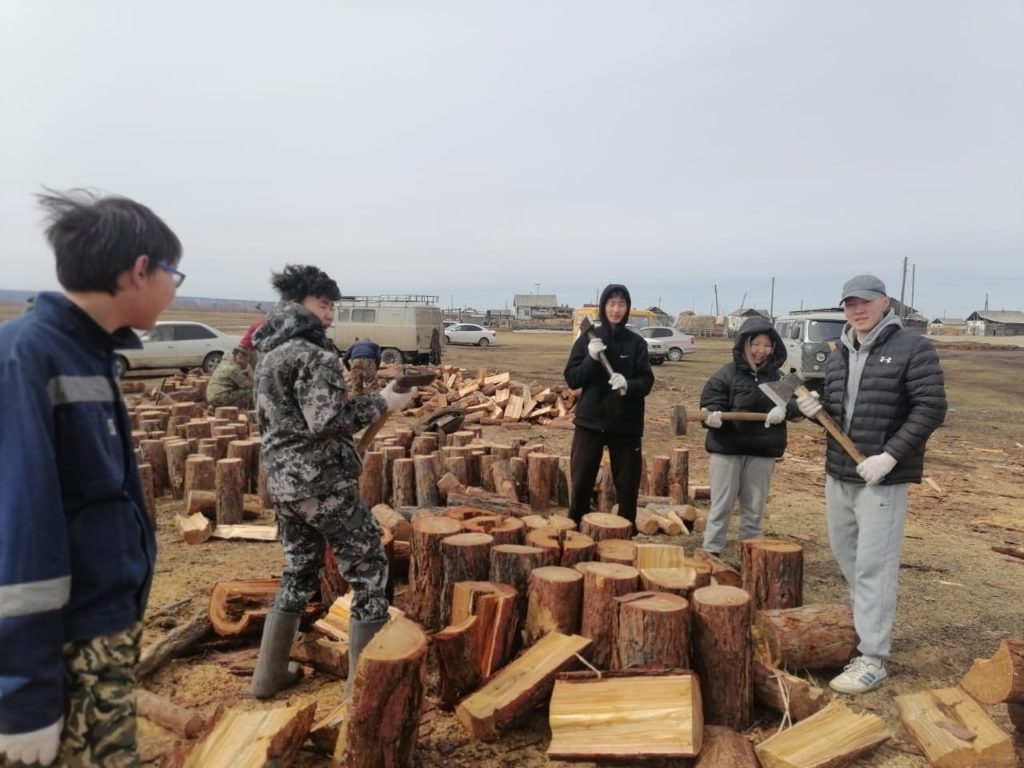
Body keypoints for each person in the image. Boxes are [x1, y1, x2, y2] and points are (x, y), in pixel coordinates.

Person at [0, 190, 182, 766]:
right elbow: (20, 527)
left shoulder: (88, 352)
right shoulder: (31, 355)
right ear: (139, 270)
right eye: (173, 272)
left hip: (99, 623)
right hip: (64, 639)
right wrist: (25, 696)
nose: (176, 287)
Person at [249, 264, 415, 699]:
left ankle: (267, 676)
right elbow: (327, 422)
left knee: (299, 570)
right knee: (370, 571)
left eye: (332, 307)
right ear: (299, 303)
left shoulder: (268, 355)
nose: (330, 315)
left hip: (283, 485)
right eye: (324, 305)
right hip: (321, 483)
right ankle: (365, 693)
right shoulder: (313, 356)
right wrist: (383, 400)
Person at [796, 274, 946, 695]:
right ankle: (864, 631)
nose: (856, 310)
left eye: (865, 302)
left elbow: (931, 407)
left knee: (874, 567)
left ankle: (873, 658)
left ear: (886, 302)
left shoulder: (913, 348)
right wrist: (814, 407)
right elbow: (840, 410)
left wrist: (890, 456)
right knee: (848, 558)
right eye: (849, 304)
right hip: (840, 472)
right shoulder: (841, 351)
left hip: (881, 477)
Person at [699, 316, 798, 556]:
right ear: (745, 344)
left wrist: (784, 409)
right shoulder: (727, 374)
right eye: (756, 344)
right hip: (727, 449)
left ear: (774, 346)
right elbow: (711, 403)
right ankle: (711, 555)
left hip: (762, 452)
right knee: (721, 507)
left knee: (754, 510)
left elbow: (796, 407)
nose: (761, 351)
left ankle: (751, 559)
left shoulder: (778, 378)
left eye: (767, 345)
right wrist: (710, 416)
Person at [563, 284, 653, 526]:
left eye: (621, 304)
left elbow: (646, 381)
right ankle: (575, 530)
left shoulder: (636, 344)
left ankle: (626, 533)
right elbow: (572, 378)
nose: (616, 309)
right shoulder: (588, 339)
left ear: (627, 308)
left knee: (627, 487)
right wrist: (591, 359)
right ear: (603, 307)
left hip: (625, 425)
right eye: (611, 303)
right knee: (581, 482)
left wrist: (628, 384)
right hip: (590, 422)